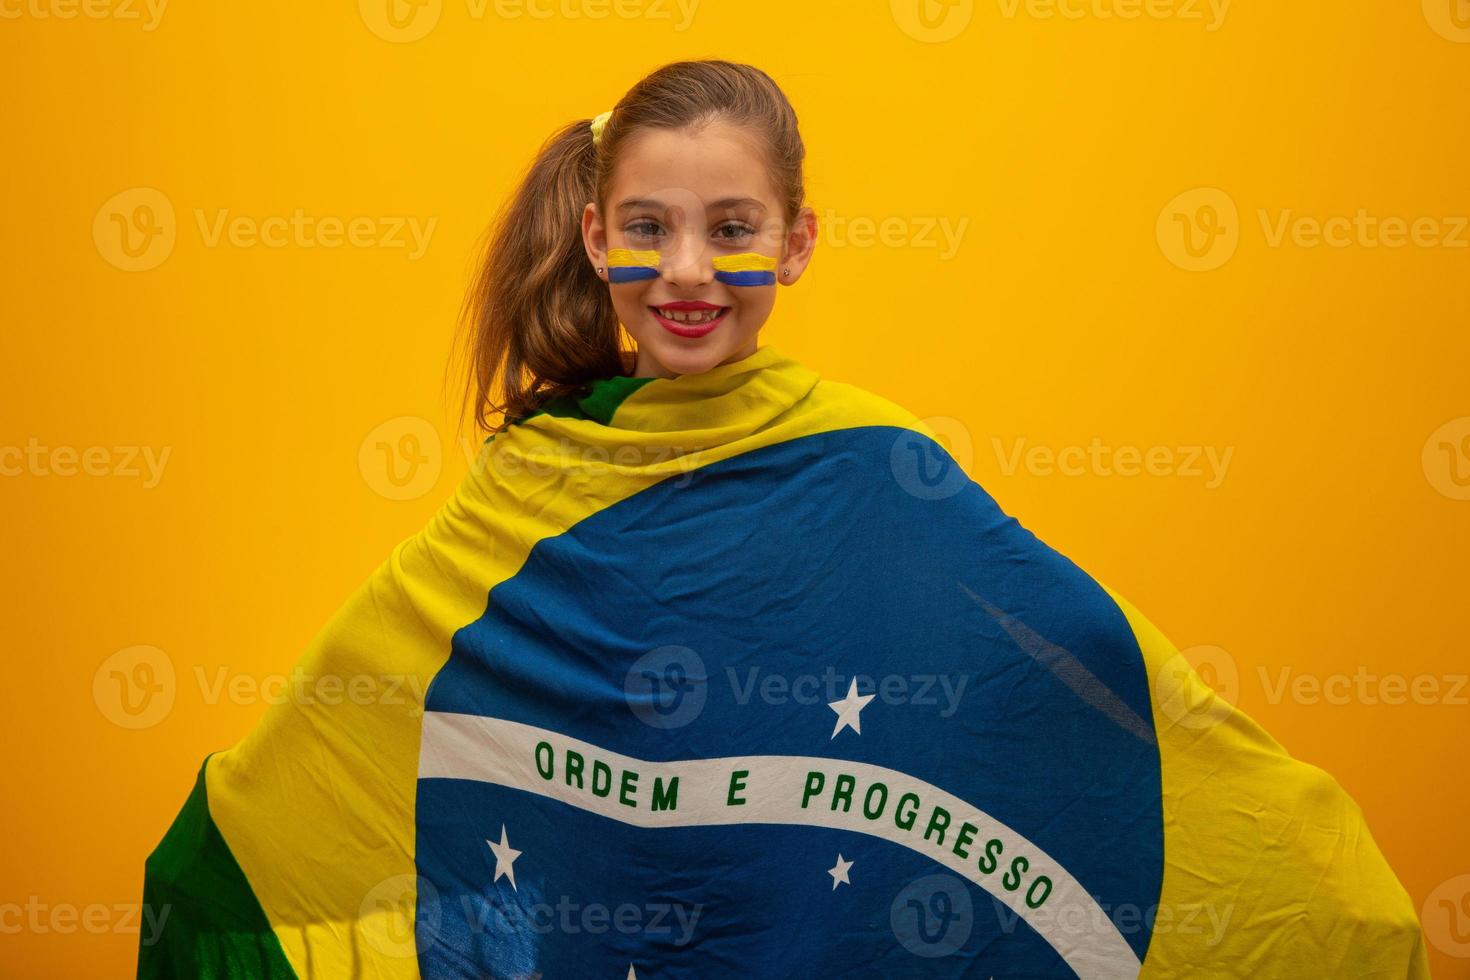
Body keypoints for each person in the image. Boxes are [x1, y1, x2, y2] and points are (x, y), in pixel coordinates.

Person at [140, 59, 1427, 979]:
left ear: (798, 244)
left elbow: (1055, 665)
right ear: (594, 237)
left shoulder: (873, 463)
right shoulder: (533, 489)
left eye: (732, 230)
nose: (688, 271)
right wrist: (231, 865)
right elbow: (376, 721)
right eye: (648, 228)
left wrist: (1303, 881)